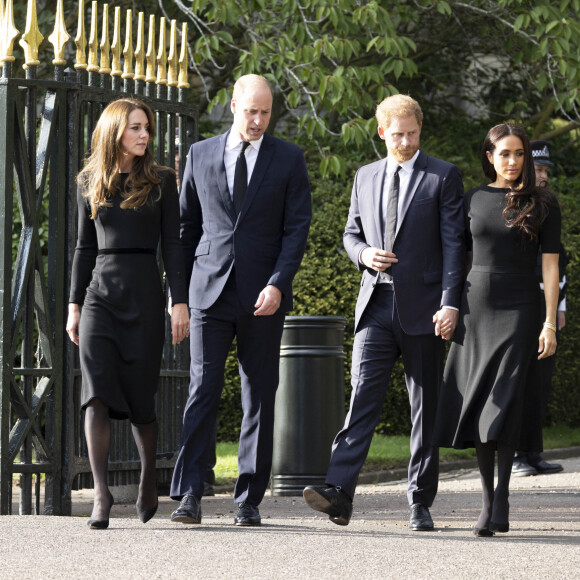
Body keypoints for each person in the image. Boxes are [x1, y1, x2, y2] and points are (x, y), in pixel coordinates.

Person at [303, 94, 466, 530]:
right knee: (362, 399)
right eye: (399, 134)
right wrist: (363, 255)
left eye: (413, 133)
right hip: (375, 304)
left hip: (426, 309)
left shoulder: (443, 176)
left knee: (425, 407)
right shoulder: (365, 176)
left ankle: (419, 501)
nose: (407, 141)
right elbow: (350, 233)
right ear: (382, 132)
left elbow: (455, 245)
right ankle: (339, 492)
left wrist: (451, 303)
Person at [169, 74, 311, 527]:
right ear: (233, 106)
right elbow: (185, 230)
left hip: (262, 296)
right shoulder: (200, 153)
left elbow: (296, 230)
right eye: (251, 111)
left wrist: (278, 283)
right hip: (208, 291)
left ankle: (248, 498)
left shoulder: (288, 158)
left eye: (266, 112)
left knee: (259, 396)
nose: (257, 120)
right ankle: (191, 493)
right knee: (202, 390)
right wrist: (179, 298)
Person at [66, 98, 190, 529]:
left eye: (147, 129)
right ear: (116, 130)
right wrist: (74, 304)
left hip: (144, 298)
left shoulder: (161, 181)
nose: (144, 136)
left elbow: (173, 245)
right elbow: (83, 248)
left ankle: (146, 481)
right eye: (136, 127)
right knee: (96, 393)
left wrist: (179, 300)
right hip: (101, 296)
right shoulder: (90, 181)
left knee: (141, 398)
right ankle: (101, 495)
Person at [433, 123, 560, 537]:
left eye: (519, 154)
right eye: (504, 154)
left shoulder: (543, 203)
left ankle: (501, 496)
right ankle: (489, 499)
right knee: (481, 407)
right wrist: (448, 306)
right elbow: (458, 256)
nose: (512, 162)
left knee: (504, 404)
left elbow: (550, 266)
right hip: (476, 311)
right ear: (489, 156)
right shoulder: (472, 199)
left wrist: (548, 321)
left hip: (521, 310)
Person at [512, 140, 566, 476]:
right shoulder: (511, 204)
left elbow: (561, 265)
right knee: (517, 381)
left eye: (546, 170)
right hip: (519, 304)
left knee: (540, 382)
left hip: (546, 306)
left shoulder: (549, 206)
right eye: (539, 169)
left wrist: (559, 307)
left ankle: (533, 451)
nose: (543, 175)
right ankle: (516, 454)